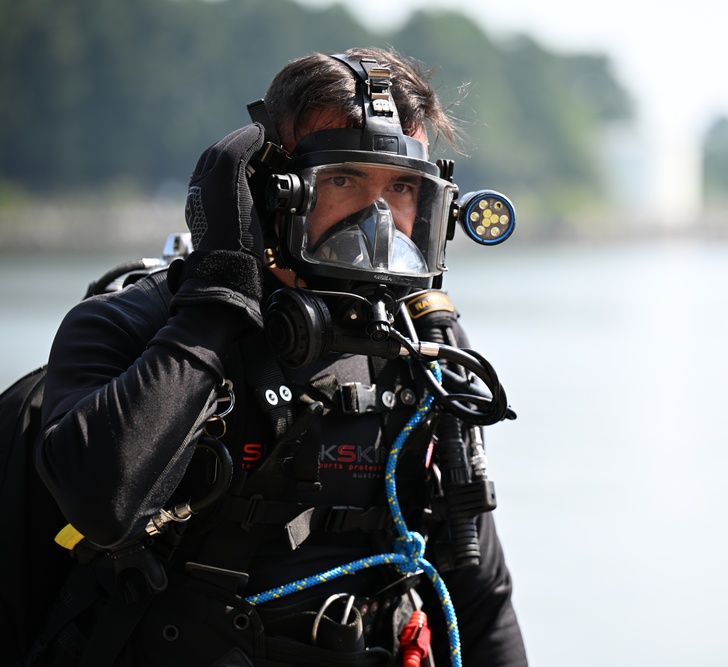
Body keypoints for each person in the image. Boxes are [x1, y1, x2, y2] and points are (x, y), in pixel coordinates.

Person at [32, 47, 527, 666]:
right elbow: (102, 506)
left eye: (402, 187)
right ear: (273, 194)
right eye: (344, 179)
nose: (379, 220)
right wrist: (218, 297)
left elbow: (481, 597)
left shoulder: (425, 351)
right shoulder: (131, 327)